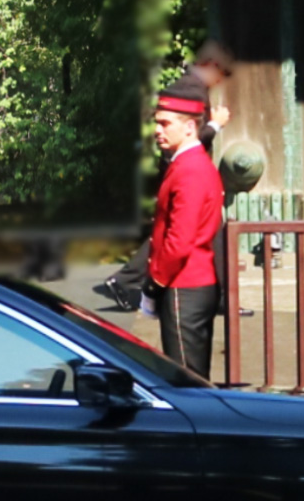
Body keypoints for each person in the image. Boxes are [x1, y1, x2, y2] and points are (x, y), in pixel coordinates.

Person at [94, 41, 236, 309]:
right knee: (186, 230)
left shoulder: (190, 85)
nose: (218, 82)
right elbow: (188, 136)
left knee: (194, 229)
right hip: (186, 170)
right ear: (212, 67)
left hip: (183, 169)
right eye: (220, 75)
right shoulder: (190, 89)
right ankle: (221, 298)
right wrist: (216, 124)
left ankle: (221, 296)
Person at [148, 73, 227, 376]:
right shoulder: (186, 163)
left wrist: (156, 280)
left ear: (190, 127)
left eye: (165, 123)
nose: (157, 130)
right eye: (157, 122)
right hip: (192, 282)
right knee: (192, 376)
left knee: (187, 381)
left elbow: (179, 240)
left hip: (185, 283)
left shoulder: (190, 169)